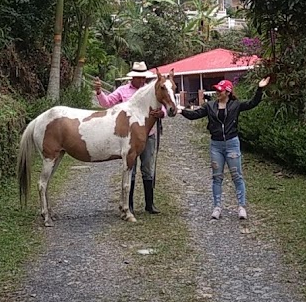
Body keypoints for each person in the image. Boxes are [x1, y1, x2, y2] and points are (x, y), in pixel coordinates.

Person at [179, 75, 270, 220]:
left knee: (237, 176)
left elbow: (253, 103)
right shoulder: (210, 106)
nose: (217, 93)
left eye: (220, 91)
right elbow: (194, 115)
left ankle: (241, 207)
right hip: (216, 145)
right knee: (217, 177)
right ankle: (217, 207)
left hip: (232, 143)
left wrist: (260, 89)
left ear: (228, 92)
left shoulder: (236, 105)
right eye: (217, 90)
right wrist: (181, 111)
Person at [94, 61, 165, 214]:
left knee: (147, 168)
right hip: (128, 137)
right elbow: (107, 103)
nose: (141, 80)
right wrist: (100, 93)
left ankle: (149, 204)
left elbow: (163, 103)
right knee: (130, 169)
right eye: (138, 77)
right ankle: (129, 203)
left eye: (142, 77)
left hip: (149, 134)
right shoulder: (123, 91)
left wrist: (162, 113)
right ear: (132, 77)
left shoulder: (152, 90)